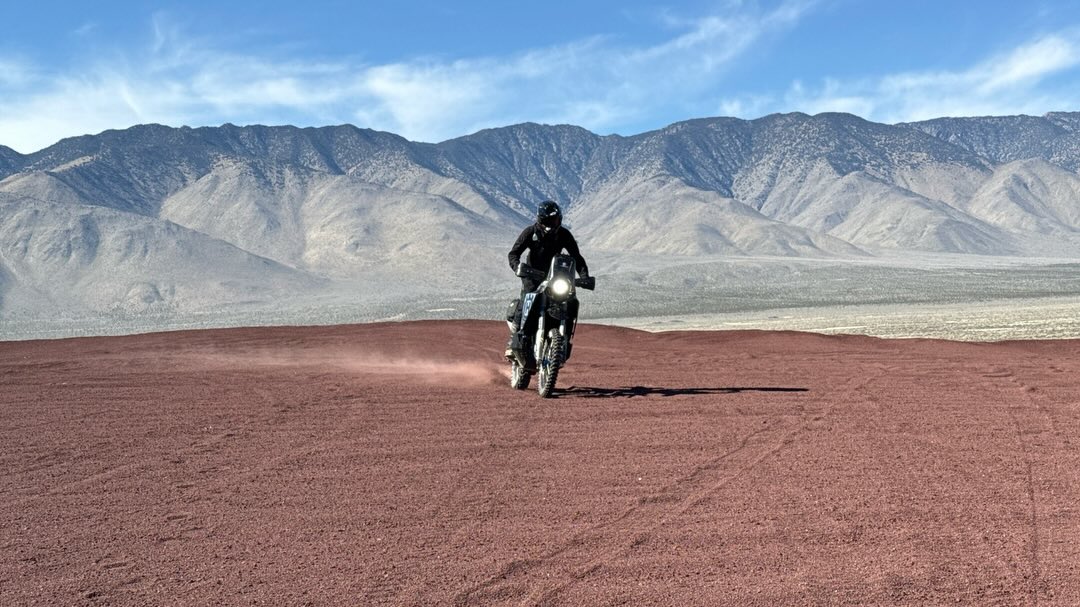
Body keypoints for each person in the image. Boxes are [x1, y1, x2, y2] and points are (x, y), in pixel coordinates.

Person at [505, 200, 589, 360]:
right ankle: (515, 339)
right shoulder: (531, 232)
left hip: (556, 278)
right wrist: (518, 267)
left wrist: (584, 276)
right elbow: (513, 253)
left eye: (555, 219)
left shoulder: (564, 234)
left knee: (571, 301)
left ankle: (564, 341)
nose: (552, 223)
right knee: (527, 301)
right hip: (532, 277)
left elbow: (576, 257)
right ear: (540, 220)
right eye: (548, 220)